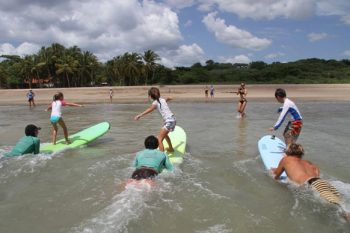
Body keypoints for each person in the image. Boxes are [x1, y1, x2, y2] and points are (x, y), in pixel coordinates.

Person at [271, 143, 342, 206]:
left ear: (288, 152)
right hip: (324, 183)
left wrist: (272, 170)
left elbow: (276, 176)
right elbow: (317, 176)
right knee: (341, 204)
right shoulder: (310, 164)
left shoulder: (286, 159)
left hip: (313, 184)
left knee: (339, 208)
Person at [134, 87, 176, 152]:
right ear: (159, 94)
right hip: (172, 120)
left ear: (150, 96)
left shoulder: (155, 103)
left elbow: (149, 109)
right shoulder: (162, 100)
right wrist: (168, 98)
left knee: (159, 139)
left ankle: (161, 156)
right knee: (165, 135)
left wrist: (139, 115)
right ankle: (171, 149)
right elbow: (164, 101)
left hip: (169, 121)